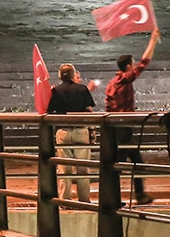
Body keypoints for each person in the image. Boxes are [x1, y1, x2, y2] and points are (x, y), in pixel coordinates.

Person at [104, 29, 161, 205]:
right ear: (128, 66)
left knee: (131, 161)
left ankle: (138, 194)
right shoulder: (125, 80)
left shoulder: (112, 83)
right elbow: (145, 62)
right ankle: (123, 196)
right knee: (127, 162)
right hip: (124, 128)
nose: (135, 65)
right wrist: (152, 40)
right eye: (132, 64)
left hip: (115, 127)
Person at [47, 63, 96, 204]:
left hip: (63, 131)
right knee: (83, 167)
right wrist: (92, 130)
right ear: (73, 74)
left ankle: (65, 200)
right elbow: (89, 111)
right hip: (81, 130)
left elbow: (50, 111)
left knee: (64, 168)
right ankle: (84, 199)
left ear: (60, 76)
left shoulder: (56, 91)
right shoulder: (82, 89)